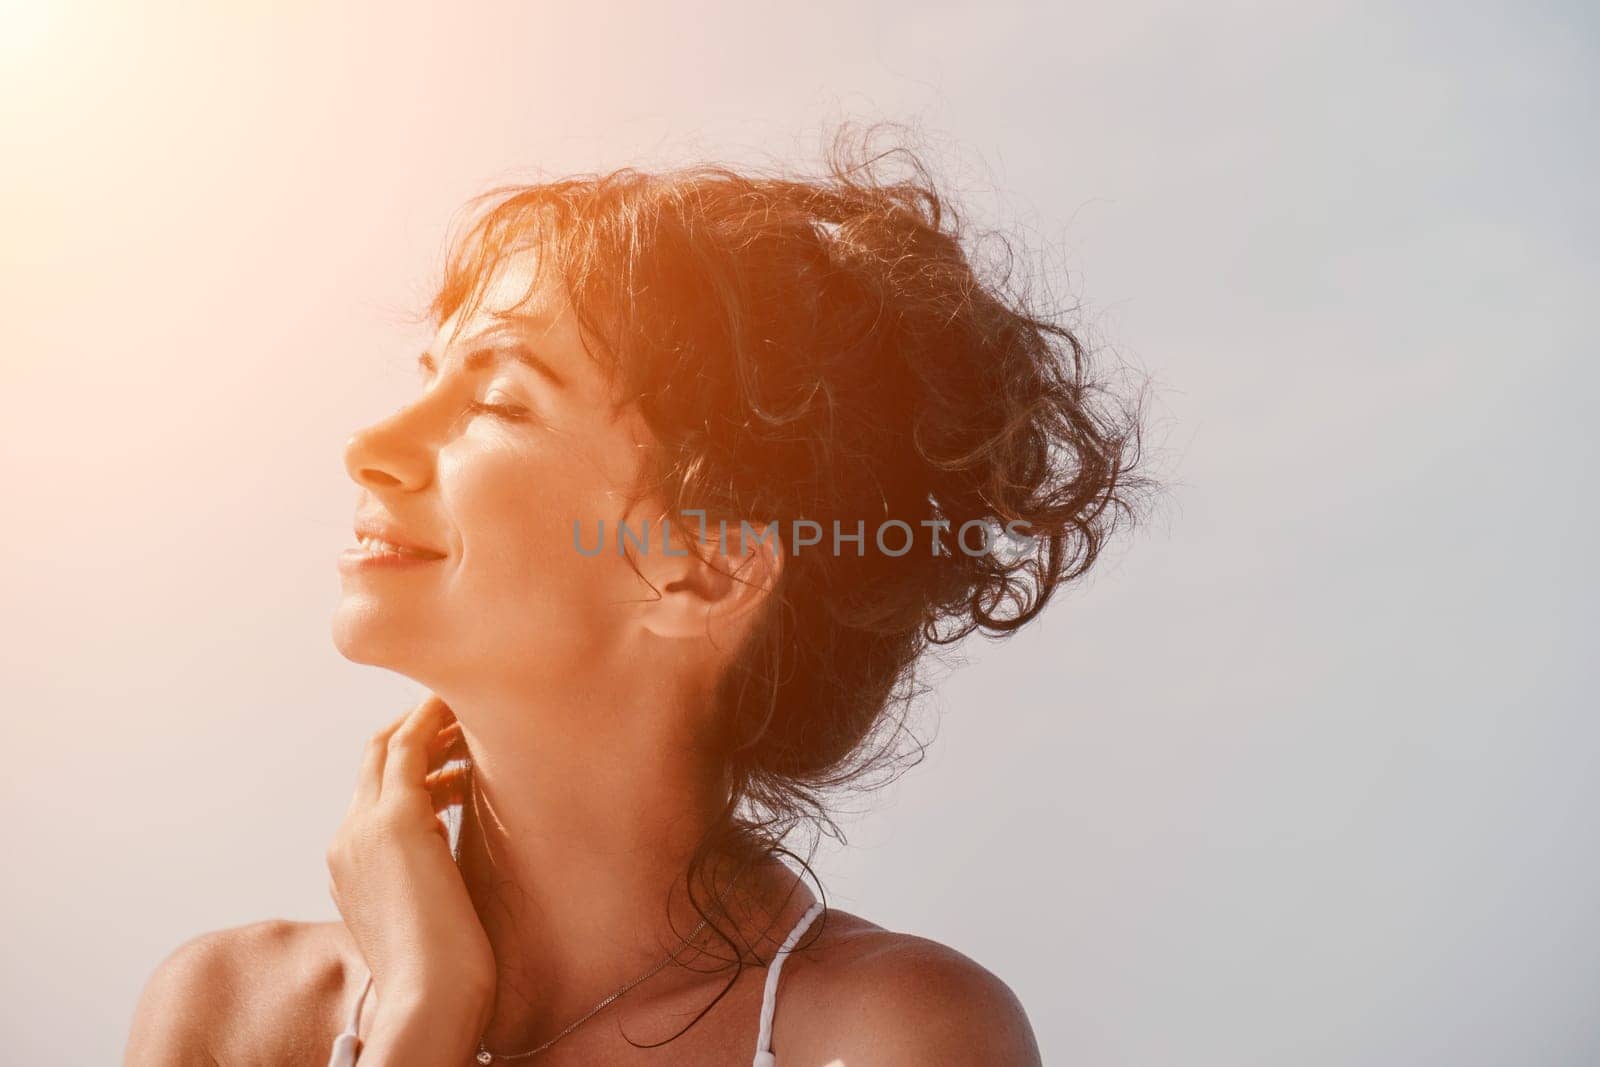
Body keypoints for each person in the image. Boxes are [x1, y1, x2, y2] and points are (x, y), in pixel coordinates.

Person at [125, 129, 1146, 1065]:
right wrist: (420, 1005)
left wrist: (427, 1015)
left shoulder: (893, 1034)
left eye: (497, 399)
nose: (370, 446)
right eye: (428, 372)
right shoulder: (230, 1012)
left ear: (703, 567)